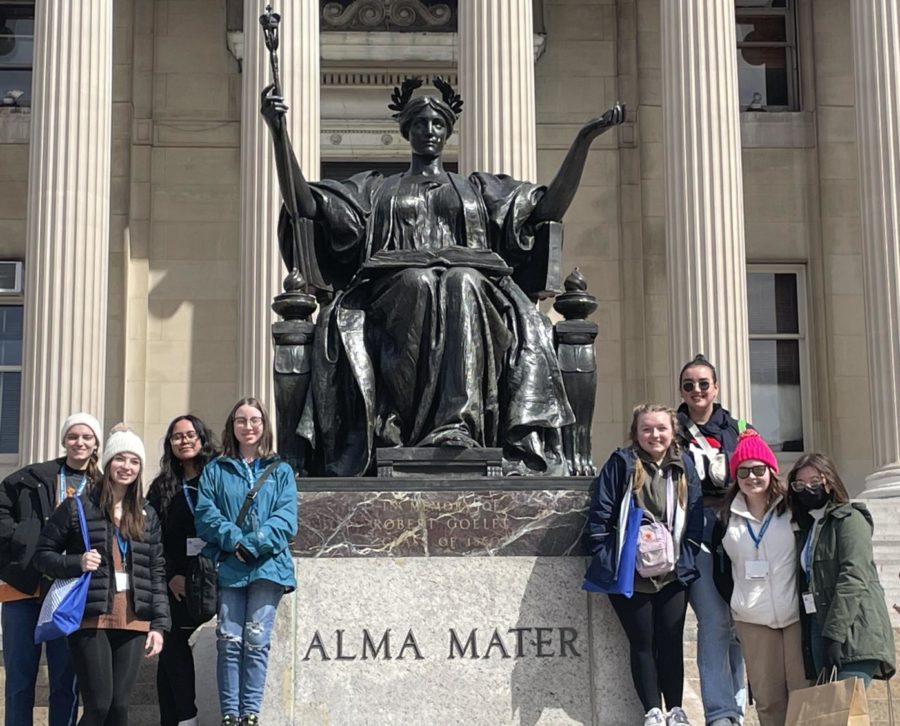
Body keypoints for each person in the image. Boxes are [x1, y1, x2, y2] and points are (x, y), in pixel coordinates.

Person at [261, 76, 625, 476]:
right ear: (407, 131)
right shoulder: (376, 189)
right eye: (420, 124)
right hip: (390, 291)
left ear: (448, 132)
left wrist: (583, 141)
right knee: (418, 282)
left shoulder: (477, 189)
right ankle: (396, 426)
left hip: (475, 290)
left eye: (437, 124)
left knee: (461, 281)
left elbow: (548, 209)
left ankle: (458, 427)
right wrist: (279, 134)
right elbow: (304, 204)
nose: (429, 131)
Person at [33, 424, 171, 726]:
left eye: (135, 461)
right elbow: (42, 557)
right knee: (98, 706)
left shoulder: (147, 514)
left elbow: (156, 571)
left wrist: (159, 624)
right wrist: (77, 562)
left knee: (120, 707)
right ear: (107, 462)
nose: (127, 467)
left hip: (134, 618)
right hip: (91, 617)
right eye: (121, 459)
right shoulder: (77, 507)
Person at [584, 403, 703, 726]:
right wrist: (606, 552)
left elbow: (694, 514)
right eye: (647, 429)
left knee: (671, 639)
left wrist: (687, 553)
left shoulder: (684, 466)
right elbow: (601, 512)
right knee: (643, 641)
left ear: (672, 431)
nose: (655, 435)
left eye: (661, 428)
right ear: (636, 433)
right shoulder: (621, 464)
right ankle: (652, 710)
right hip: (630, 570)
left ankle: (675, 709)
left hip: (673, 570)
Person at [194, 397, 297, 726]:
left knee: (256, 639)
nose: (248, 426)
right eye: (241, 420)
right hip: (230, 566)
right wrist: (235, 540)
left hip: (268, 568)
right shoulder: (215, 469)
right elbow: (206, 515)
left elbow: (286, 518)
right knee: (229, 640)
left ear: (264, 426)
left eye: (254, 420)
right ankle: (230, 714)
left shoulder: (281, 470)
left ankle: (250, 713)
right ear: (232, 426)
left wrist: (255, 543)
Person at [0, 412, 102, 726]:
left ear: (96, 443)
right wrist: (20, 540)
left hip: (66, 592)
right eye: (73, 436)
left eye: (87, 437)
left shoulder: (101, 487)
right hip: (22, 586)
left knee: (65, 681)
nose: (79, 443)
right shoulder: (31, 477)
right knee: (19, 680)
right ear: (63, 441)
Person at [714, 431, 806, 726]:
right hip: (752, 620)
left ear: (770, 470)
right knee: (768, 700)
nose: (751, 477)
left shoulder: (793, 509)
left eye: (758, 470)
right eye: (743, 471)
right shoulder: (727, 517)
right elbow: (721, 570)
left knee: (803, 695)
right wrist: (737, 600)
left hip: (795, 617)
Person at [676, 354, 746, 726]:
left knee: (742, 618)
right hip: (694, 531)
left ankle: (738, 706)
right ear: (682, 392)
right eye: (689, 385)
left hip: (736, 526)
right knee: (715, 620)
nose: (697, 391)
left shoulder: (740, 428)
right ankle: (721, 713)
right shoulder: (670, 430)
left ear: (715, 388)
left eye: (704, 384)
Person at [787, 453, 895, 686]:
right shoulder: (809, 527)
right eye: (800, 484)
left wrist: (834, 635)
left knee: (845, 710)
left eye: (815, 481)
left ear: (829, 481)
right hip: (819, 625)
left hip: (854, 627)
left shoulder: (850, 518)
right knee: (833, 711)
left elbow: (854, 576)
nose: (808, 488)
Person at [147, 415, 218, 726]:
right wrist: (171, 575)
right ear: (170, 444)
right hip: (175, 578)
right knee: (171, 646)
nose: (184, 441)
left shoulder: (217, 477)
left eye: (190, 435)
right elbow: (153, 538)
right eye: (177, 437)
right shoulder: (161, 487)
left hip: (213, 575)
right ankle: (184, 718)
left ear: (202, 439)